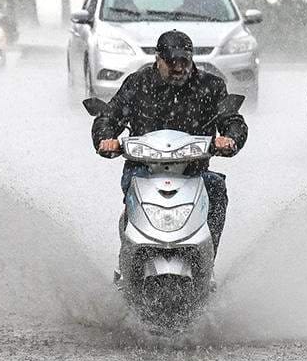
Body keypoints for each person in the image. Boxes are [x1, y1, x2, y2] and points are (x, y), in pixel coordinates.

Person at [91, 29, 247, 253]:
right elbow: (109, 117)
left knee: (216, 188)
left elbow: (231, 119)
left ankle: (208, 255)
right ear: (158, 59)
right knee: (134, 185)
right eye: (171, 61)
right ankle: (129, 255)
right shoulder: (137, 84)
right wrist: (106, 138)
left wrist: (231, 138)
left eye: (184, 61)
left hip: (194, 172)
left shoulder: (210, 86)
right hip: (142, 169)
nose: (178, 68)